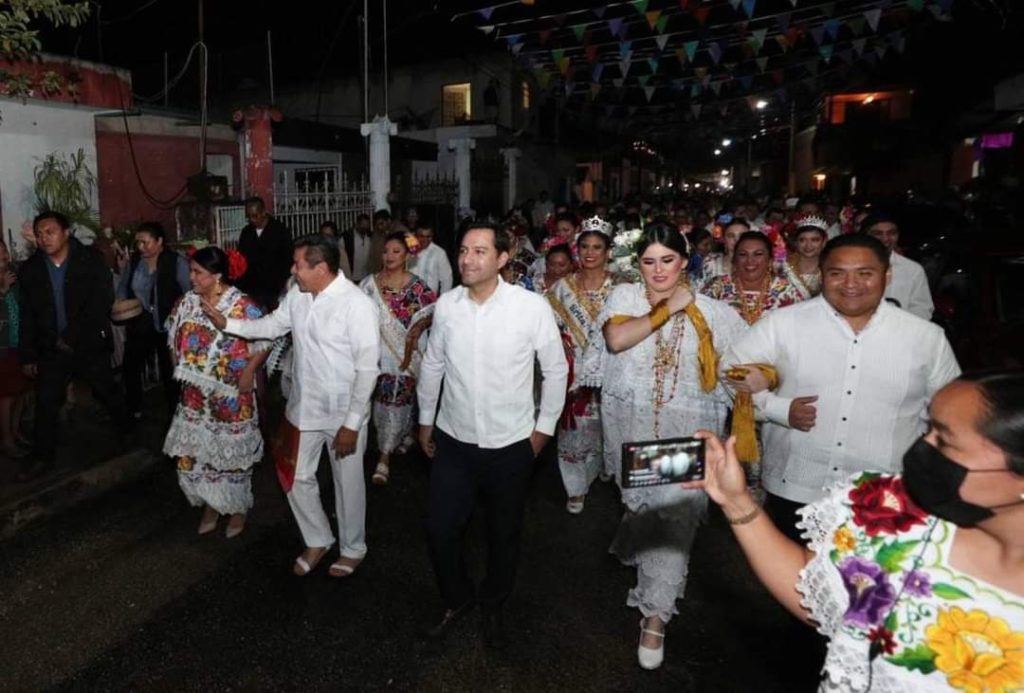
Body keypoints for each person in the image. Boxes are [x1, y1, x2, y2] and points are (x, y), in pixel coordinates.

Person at [690, 371, 1024, 692]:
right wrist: (736, 502)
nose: (923, 447)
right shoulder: (885, 508)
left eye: (944, 441)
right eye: (928, 429)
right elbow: (813, 594)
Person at [722, 234, 961, 542]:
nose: (851, 284)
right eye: (837, 273)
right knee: (792, 572)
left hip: (886, 494)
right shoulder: (783, 324)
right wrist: (776, 409)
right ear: (822, 275)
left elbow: (953, 415)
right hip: (795, 489)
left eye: (865, 273)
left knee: (874, 575)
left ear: (887, 276)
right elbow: (730, 370)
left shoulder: (926, 338)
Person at [591, 222, 747, 669]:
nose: (658, 271)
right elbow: (617, 339)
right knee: (643, 510)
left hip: (686, 431)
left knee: (671, 522)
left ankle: (655, 617)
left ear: (684, 261)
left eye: (668, 260)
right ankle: (647, 562)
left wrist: (761, 382)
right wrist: (666, 309)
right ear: (637, 264)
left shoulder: (715, 313)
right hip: (633, 427)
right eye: (649, 261)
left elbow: (743, 367)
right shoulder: (625, 298)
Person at [417, 223, 568, 649]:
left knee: (503, 532)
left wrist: (542, 432)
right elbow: (433, 363)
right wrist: (426, 420)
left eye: (479, 251)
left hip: (511, 443)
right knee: (440, 527)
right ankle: (457, 597)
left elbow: (555, 370)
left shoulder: (530, 308)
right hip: (454, 438)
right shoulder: (447, 306)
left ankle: (493, 602)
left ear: (503, 258)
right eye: (464, 250)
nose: (467, 259)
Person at [204, 235, 379, 578]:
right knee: (294, 475)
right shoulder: (298, 294)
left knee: (347, 484)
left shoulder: (357, 305)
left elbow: (367, 369)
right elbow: (272, 325)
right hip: (303, 407)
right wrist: (229, 325)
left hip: (343, 412)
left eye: (298, 264)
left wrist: (352, 423)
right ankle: (317, 539)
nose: (292, 270)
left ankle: (353, 548)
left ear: (321, 268)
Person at [163, 247, 270, 538]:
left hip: (231, 394)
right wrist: (179, 368)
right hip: (195, 397)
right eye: (191, 271)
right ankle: (211, 503)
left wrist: (249, 372)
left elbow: (265, 339)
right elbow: (172, 334)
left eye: (198, 272)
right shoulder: (186, 302)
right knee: (197, 453)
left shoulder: (242, 305)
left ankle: (236, 508)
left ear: (217, 275)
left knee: (230, 457)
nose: (192, 277)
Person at [16, 211, 130, 481]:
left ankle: (126, 431)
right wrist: (28, 354)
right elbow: (28, 314)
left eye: (50, 232)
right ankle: (43, 457)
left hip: (88, 344)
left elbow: (100, 301)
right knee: (46, 402)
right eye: (40, 234)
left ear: (66, 232)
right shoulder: (31, 269)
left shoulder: (89, 260)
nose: (44, 238)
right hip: (51, 348)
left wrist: (72, 336)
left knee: (106, 390)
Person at [545, 219, 617, 514]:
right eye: (585, 246)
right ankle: (575, 487)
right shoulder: (563, 287)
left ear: (608, 251)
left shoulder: (622, 287)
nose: (590, 253)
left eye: (597, 247)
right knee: (574, 429)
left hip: (611, 367)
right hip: (574, 370)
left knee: (607, 426)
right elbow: (546, 323)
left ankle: (602, 464)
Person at [359, 231, 437, 485]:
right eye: (386, 251)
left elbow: (434, 312)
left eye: (396, 251)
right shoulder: (369, 285)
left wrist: (419, 326)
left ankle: (384, 455)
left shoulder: (417, 287)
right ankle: (402, 434)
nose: (389, 256)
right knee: (382, 400)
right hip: (376, 355)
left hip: (406, 356)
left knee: (395, 398)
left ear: (407, 255)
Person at [115, 222, 191, 419]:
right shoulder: (134, 262)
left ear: (159, 241)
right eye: (138, 243)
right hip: (140, 323)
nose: (141, 247)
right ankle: (134, 409)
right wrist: (120, 301)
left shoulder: (176, 262)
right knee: (131, 366)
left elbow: (188, 292)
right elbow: (124, 287)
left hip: (167, 324)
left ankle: (176, 412)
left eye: (145, 242)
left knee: (169, 370)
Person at [700, 230, 805, 325]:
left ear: (770, 260)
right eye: (743, 254)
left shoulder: (787, 291)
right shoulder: (717, 287)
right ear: (735, 260)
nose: (750, 260)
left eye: (758, 254)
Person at [862, 213, 934, 320]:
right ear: (866, 235)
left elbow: (922, 308)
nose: (885, 239)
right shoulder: (850, 266)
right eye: (878, 233)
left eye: (891, 233)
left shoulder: (912, 270)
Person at [0, 239, 30, 461]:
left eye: (3, 251)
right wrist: (3, 290)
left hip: (22, 343)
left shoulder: (14, 274)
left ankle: (16, 431)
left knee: (23, 391)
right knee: (7, 395)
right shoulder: (5, 282)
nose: (2, 255)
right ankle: (7, 441)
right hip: (4, 347)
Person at [235, 196, 293, 310]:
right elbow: (242, 257)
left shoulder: (280, 231)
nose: (252, 220)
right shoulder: (246, 232)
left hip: (274, 286)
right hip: (252, 286)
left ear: (263, 212)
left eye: (255, 216)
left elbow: (287, 258)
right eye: (249, 217)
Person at [783, 215, 828, 299]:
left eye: (814, 240)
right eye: (802, 240)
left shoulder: (830, 266)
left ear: (824, 242)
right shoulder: (783, 267)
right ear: (796, 242)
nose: (808, 245)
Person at [697, 218, 750, 288]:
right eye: (731, 236)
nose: (737, 239)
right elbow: (700, 290)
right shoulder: (711, 263)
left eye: (742, 236)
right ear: (724, 239)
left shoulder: (759, 265)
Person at [408, 224, 453, 296]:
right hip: (408, 298)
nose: (425, 240)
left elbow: (447, 280)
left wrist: (443, 299)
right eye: (421, 236)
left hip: (429, 299)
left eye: (428, 237)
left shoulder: (439, 253)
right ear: (415, 235)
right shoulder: (408, 250)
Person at [346, 213, 375, 282]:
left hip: (366, 276)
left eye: (367, 225)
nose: (365, 227)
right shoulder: (348, 238)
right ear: (357, 224)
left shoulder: (370, 237)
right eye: (363, 224)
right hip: (352, 277)